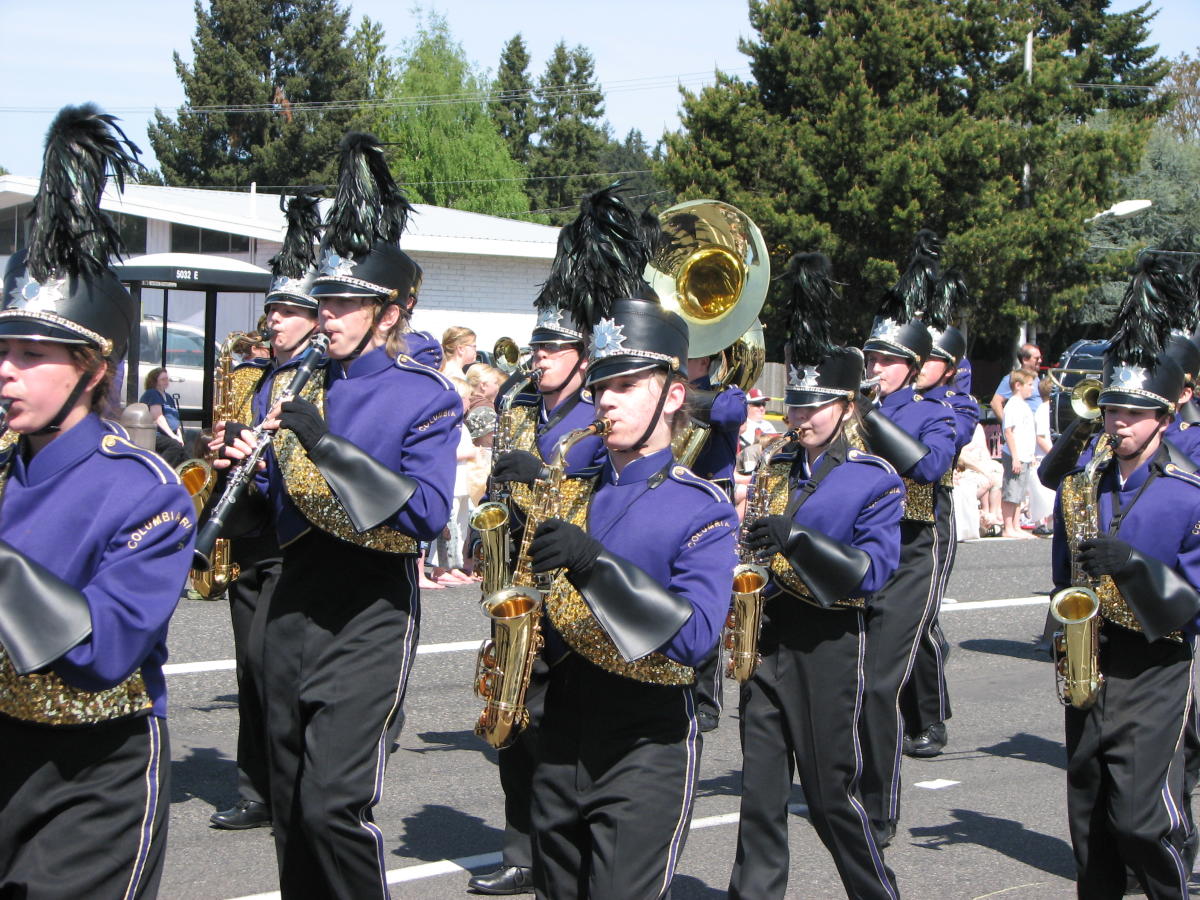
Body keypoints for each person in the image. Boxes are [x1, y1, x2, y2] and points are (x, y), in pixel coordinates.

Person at [218, 133, 461, 900]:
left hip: (368, 610)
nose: (325, 315)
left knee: (331, 807)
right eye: (323, 301)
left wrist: (318, 442)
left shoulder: (425, 396)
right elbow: (275, 507)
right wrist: (241, 484)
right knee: (290, 805)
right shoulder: (296, 381)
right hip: (290, 605)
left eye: (344, 302)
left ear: (388, 311)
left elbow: (421, 513)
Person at [0, 103, 195, 898]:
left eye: (31, 355)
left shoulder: (145, 494)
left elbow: (101, 650)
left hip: (96, 772)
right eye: (0, 350)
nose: (5, 371)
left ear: (92, 368)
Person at [519, 294, 738, 900]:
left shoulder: (702, 506)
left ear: (671, 394)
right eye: (599, 387)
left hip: (647, 740)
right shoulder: (574, 488)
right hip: (560, 726)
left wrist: (592, 563)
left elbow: (695, 638)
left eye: (626, 385)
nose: (606, 400)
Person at [727, 254, 903, 900]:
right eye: (793, 406)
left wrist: (795, 540)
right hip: (769, 639)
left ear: (844, 405)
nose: (798, 418)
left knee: (832, 799)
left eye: (812, 407)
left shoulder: (873, 479)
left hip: (830, 645)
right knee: (759, 794)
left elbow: (872, 574)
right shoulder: (776, 467)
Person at [466, 187, 622, 897]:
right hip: (515, 584)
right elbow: (502, 482)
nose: (540, 356)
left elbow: (590, 504)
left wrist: (535, 479)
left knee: (562, 734)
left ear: (585, 355)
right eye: (537, 345)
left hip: (568, 592)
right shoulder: (522, 405)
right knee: (512, 722)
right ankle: (520, 849)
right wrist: (489, 517)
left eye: (553, 347)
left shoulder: (598, 423)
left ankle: (564, 851)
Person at [1051, 255, 1200, 897]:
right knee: (1090, 826)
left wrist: (1135, 568)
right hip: (1091, 661)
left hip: (1155, 664)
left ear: (1165, 418)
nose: (1118, 424)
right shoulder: (1083, 484)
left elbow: (1193, 605)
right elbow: (1064, 574)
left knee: (1141, 822)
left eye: (1133, 416)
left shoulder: (1189, 495)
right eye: (1112, 411)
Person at [209, 192, 322, 832]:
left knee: (273, 668)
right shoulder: (254, 378)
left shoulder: (316, 378)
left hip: (291, 540)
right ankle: (255, 788)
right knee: (248, 670)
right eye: (271, 308)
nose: (272, 319)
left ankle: (288, 786)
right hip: (248, 534)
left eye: (287, 310)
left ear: (313, 319)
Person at [855, 230, 957, 848]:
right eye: (871, 359)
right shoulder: (858, 405)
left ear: (914, 369)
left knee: (879, 684)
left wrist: (864, 419)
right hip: (859, 554)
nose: (875, 369)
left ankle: (881, 806)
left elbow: (929, 467)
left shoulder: (935, 412)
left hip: (913, 550)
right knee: (848, 682)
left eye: (887, 361)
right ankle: (847, 785)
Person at [900, 272, 979, 758]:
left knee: (920, 620)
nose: (921, 365)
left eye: (932, 359)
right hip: (884, 513)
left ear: (950, 368)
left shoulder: (957, 404)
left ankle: (929, 718)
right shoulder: (893, 398)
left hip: (930, 516)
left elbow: (942, 452)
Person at [684, 351, 747, 732]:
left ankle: (706, 699)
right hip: (670, 494)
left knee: (707, 597)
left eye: (687, 358)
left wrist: (671, 393)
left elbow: (727, 413)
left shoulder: (728, 394)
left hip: (710, 497)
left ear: (705, 362)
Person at [1000, 369, 1037, 539]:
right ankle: (1008, 527)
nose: (1032, 389)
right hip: (1015, 455)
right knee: (1011, 491)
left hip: (1025, 455)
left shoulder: (1023, 405)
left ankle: (1016, 525)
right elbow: (1008, 432)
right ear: (1017, 385)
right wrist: (1015, 456)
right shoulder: (1013, 405)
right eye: (1029, 385)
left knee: (1019, 493)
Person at [988, 342, 1043, 421]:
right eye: (1037, 358)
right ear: (1025, 360)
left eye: (1041, 357)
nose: (1040, 360)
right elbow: (995, 403)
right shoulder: (1013, 378)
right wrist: (1007, 426)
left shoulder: (1037, 379)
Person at [140, 365, 184, 443]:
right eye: (163, 379)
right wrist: (173, 437)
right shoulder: (152, 393)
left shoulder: (169, 397)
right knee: (174, 447)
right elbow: (158, 418)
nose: (166, 381)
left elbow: (175, 420)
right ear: (154, 381)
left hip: (171, 435)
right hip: (157, 435)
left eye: (167, 379)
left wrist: (179, 437)